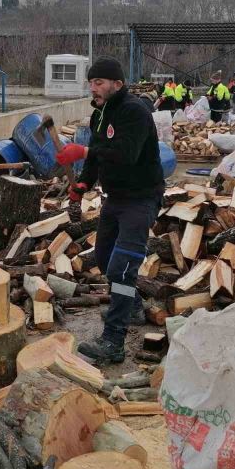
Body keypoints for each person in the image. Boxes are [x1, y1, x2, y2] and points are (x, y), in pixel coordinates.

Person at [54, 56, 164, 365]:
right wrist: (84, 183)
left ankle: (113, 341)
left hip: (141, 198)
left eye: (99, 82)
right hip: (115, 198)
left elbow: (126, 154)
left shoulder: (135, 112)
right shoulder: (98, 115)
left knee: (122, 267)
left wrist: (85, 150)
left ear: (117, 84)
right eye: (90, 83)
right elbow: (97, 159)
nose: (93, 88)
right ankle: (133, 306)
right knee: (103, 258)